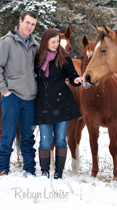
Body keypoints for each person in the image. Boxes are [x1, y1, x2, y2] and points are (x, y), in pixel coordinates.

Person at [0, 11, 39, 177]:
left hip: (31, 98)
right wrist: (5, 91)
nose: (29, 27)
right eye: (27, 22)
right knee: (8, 135)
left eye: (33, 24)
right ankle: (3, 169)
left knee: (28, 137)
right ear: (20, 21)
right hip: (13, 97)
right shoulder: (6, 43)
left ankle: (29, 170)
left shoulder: (35, 45)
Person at [34, 28, 84, 179]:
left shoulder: (64, 58)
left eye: (57, 42)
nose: (56, 45)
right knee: (45, 140)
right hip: (43, 104)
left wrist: (75, 80)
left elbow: (72, 74)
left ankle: (58, 172)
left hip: (62, 102)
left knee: (61, 139)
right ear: (45, 42)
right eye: (53, 42)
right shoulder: (37, 59)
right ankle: (44, 171)